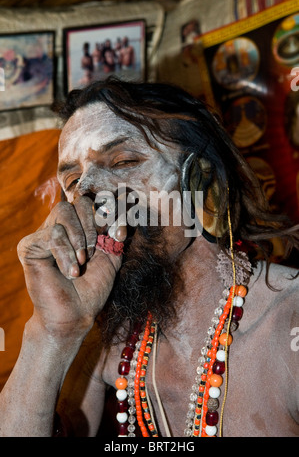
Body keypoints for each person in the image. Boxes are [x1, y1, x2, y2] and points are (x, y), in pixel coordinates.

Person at [0, 78, 298, 438]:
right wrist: (51, 332)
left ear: (198, 180)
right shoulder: (103, 341)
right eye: (74, 180)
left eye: (124, 160)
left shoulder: (288, 320)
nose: (90, 190)